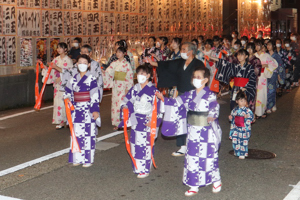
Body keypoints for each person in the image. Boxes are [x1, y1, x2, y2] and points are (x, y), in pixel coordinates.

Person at [157, 67, 222, 196]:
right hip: (193, 131)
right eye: (194, 77)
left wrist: (212, 114)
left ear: (205, 80)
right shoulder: (189, 94)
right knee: (192, 157)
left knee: (208, 157)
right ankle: (193, 185)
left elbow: (214, 105)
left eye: (198, 77)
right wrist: (164, 99)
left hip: (206, 131)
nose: (195, 79)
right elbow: (176, 103)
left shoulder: (210, 95)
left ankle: (216, 180)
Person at [147, 42, 205, 156]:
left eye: (184, 49)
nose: (182, 51)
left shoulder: (198, 64)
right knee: (181, 120)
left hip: (194, 95)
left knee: (194, 120)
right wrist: (152, 63)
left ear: (191, 51)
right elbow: (167, 65)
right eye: (182, 49)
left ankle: (196, 144)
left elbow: (202, 79)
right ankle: (182, 146)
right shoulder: (180, 62)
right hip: (181, 94)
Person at [118, 65, 163, 178]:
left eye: (143, 74)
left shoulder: (153, 90)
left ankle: (145, 169)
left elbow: (160, 107)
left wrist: (154, 121)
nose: (140, 76)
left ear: (148, 76)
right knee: (135, 145)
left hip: (147, 120)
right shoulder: (135, 88)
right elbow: (126, 100)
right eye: (138, 74)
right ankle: (137, 167)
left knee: (145, 145)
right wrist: (124, 107)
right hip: (135, 119)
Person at [64, 54, 101, 168]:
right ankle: (77, 158)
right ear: (76, 64)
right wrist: (68, 101)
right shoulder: (73, 78)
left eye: (85, 63)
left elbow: (95, 94)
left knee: (88, 135)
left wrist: (95, 110)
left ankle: (88, 159)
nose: (82, 65)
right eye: (80, 63)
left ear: (89, 65)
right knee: (76, 134)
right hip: (76, 110)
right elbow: (68, 93)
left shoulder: (92, 78)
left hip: (87, 109)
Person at [102, 47, 134, 130]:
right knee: (115, 104)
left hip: (124, 86)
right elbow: (108, 72)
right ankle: (117, 122)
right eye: (117, 52)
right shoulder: (114, 63)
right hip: (116, 85)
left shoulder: (126, 64)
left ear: (124, 53)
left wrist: (128, 88)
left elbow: (129, 77)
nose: (118, 54)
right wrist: (102, 72)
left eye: (120, 52)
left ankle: (125, 121)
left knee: (122, 104)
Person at [44, 42, 73, 130]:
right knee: (58, 103)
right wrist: (46, 68)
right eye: (58, 48)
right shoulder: (56, 59)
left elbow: (70, 72)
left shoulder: (68, 60)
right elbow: (52, 69)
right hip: (57, 84)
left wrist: (60, 77)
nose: (59, 49)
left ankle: (68, 120)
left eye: (61, 48)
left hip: (65, 84)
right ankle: (61, 122)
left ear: (65, 49)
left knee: (66, 102)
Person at [254, 39, 278, 119]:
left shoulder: (266, 56)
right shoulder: (254, 55)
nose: (257, 47)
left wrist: (266, 65)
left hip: (262, 77)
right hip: (254, 77)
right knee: (255, 95)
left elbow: (274, 64)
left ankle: (262, 111)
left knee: (262, 95)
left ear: (262, 46)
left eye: (259, 45)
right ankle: (256, 112)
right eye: (256, 45)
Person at [228, 90, 254, 159]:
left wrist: (247, 117)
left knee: (243, 141)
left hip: (244, 128)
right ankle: (237, 152)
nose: (243, 102)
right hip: (236, 127)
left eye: (244, 101)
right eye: (241, 101)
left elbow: (252, 117)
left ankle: (242, 153)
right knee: (235, 140)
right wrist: (230, 118)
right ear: (237, 101)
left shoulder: (248, 110)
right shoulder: (234, 110)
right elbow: (233, 117)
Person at [266, 40, 285, 113]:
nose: (268, 46)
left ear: (273, 46)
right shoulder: (266, 55)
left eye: (270, 45)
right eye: (267, 45)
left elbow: (280, 66)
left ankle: (272, 104)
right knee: (267, 91)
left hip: (274, 74)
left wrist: (279, 75)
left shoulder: (276, 56)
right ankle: (268, 106)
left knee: (272, 90)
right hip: (266, 74)